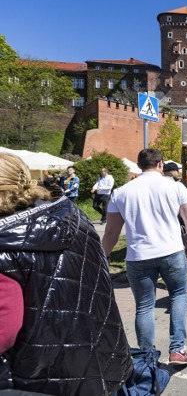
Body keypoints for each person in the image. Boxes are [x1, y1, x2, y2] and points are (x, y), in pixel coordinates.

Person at [0, 152, 131, 394]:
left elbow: (4, 332)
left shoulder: (6, 245)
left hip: (39, 376)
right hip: (99, 355)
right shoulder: (72, 216)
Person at [102, 148, 187, 365]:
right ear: (161, 164)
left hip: (138, 255)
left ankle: (147, 355)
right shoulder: (175, 187)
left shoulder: (121, 192)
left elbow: (111, 232)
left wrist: (104, 255)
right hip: (172, 250)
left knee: (144, 305)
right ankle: (178, 349)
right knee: (178, 295)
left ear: (139, 166)